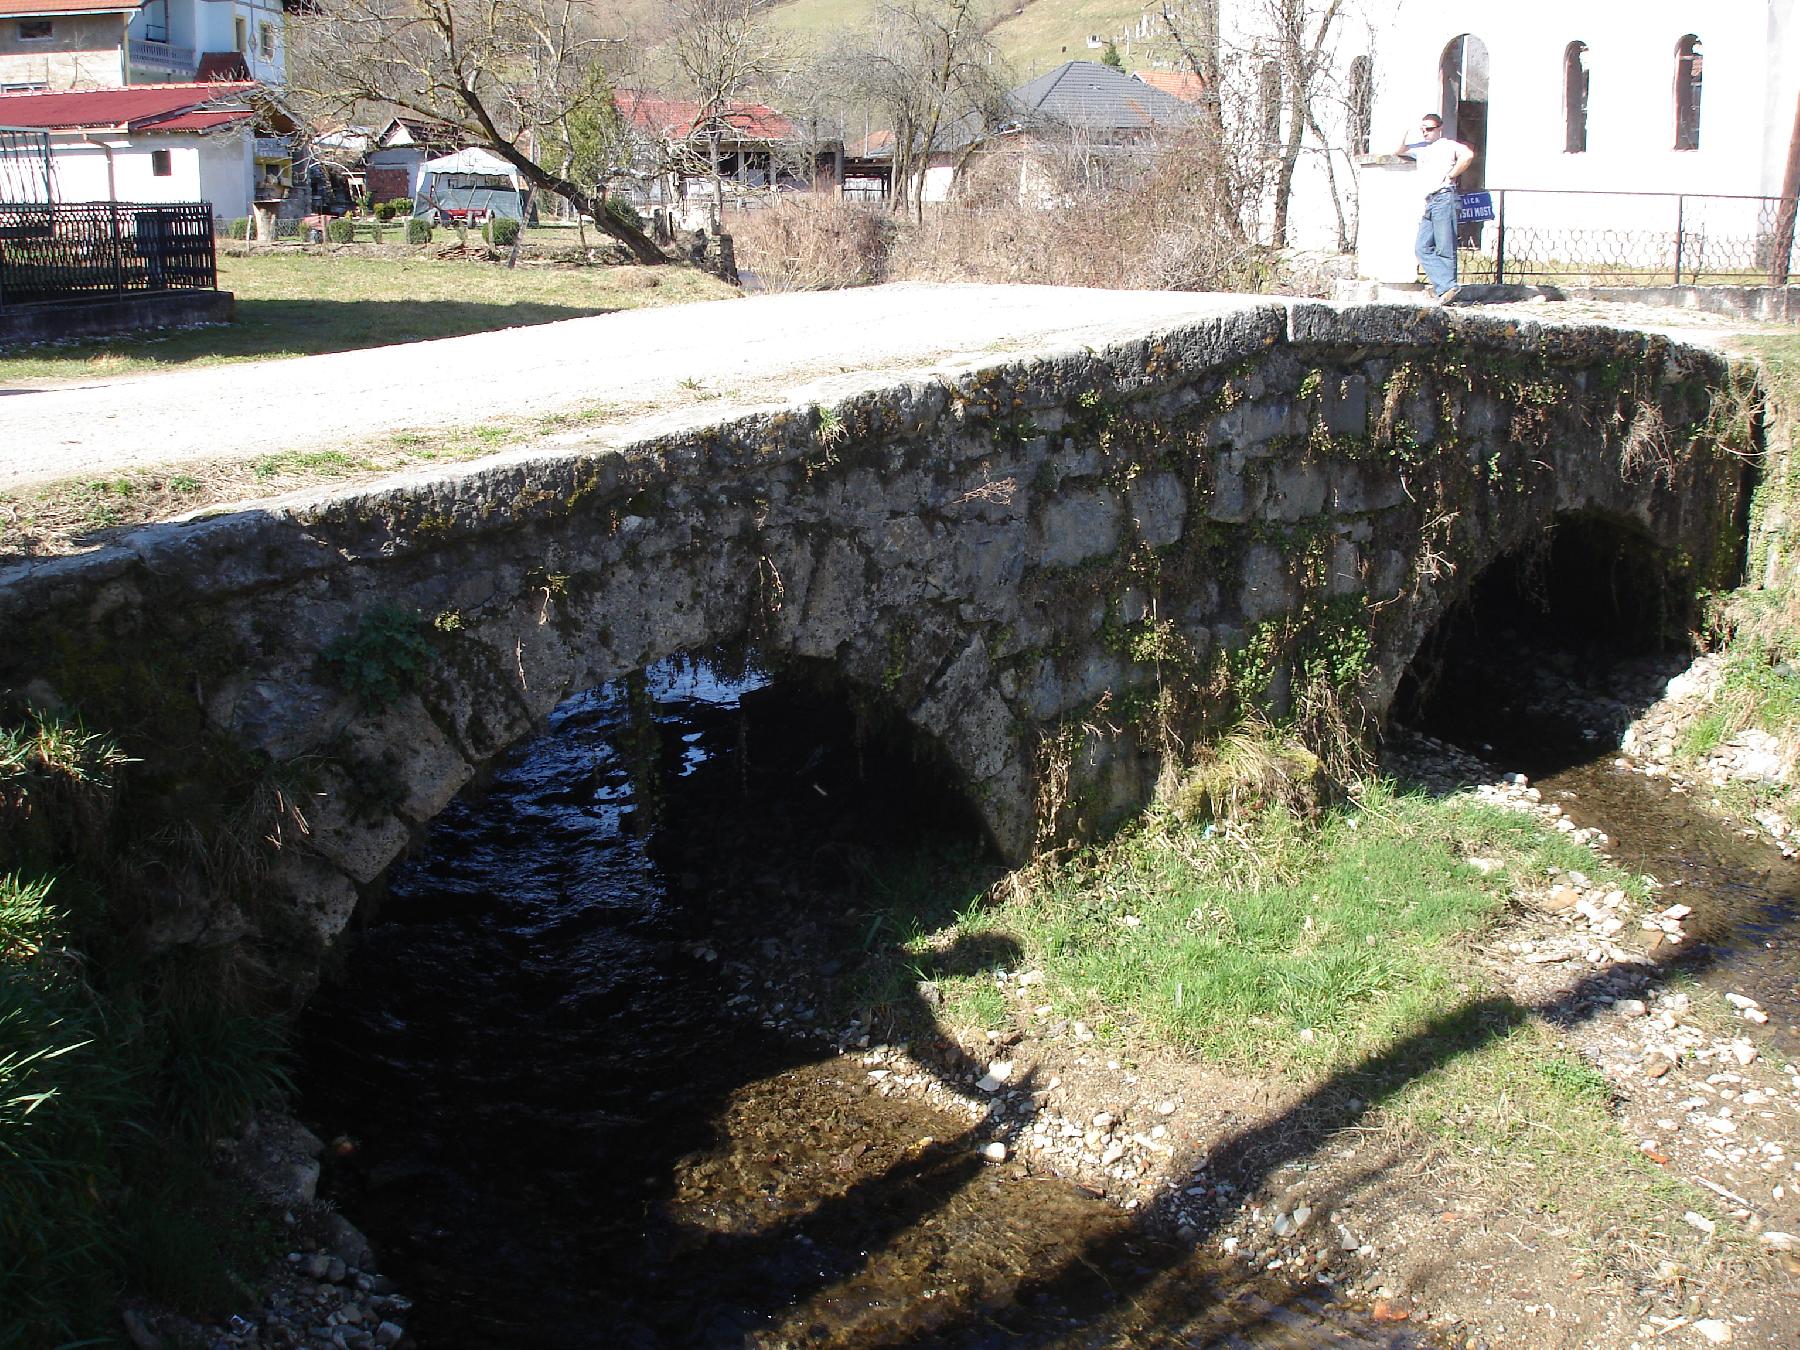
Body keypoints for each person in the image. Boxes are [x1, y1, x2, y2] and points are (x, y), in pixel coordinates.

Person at [1397, 114, 1475, 303]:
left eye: (1429, 129)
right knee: (1422, 247)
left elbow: (1468, 155)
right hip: (1430, 201)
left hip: (1444, 197)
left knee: (1445, 248)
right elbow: (1399, 150)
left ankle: (1448, 290)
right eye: (1422, 129)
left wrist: (1452, 175)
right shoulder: (1421, 150)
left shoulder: (1448, 145)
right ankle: (1448, 287)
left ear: (1439, 128)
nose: (1425, 132)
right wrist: (1406, 131)